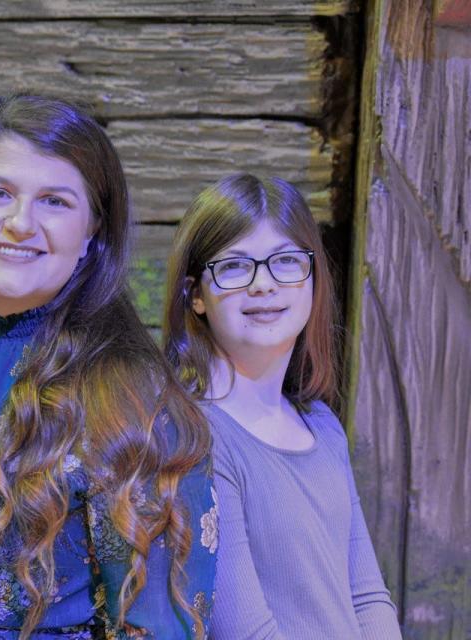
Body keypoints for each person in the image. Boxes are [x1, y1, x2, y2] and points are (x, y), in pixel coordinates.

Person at [0, 94, 216, 639]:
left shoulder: (131, 396)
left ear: (92, 231)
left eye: (54, 201)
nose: (19, 223)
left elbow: (157, 623)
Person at [163, 173, 401, 639]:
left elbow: (367, 597)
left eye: (286, 261)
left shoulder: (322, 426)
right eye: (234, 267)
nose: (264, 285)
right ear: (196, 295)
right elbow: (245, 632)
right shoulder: (193, 436)